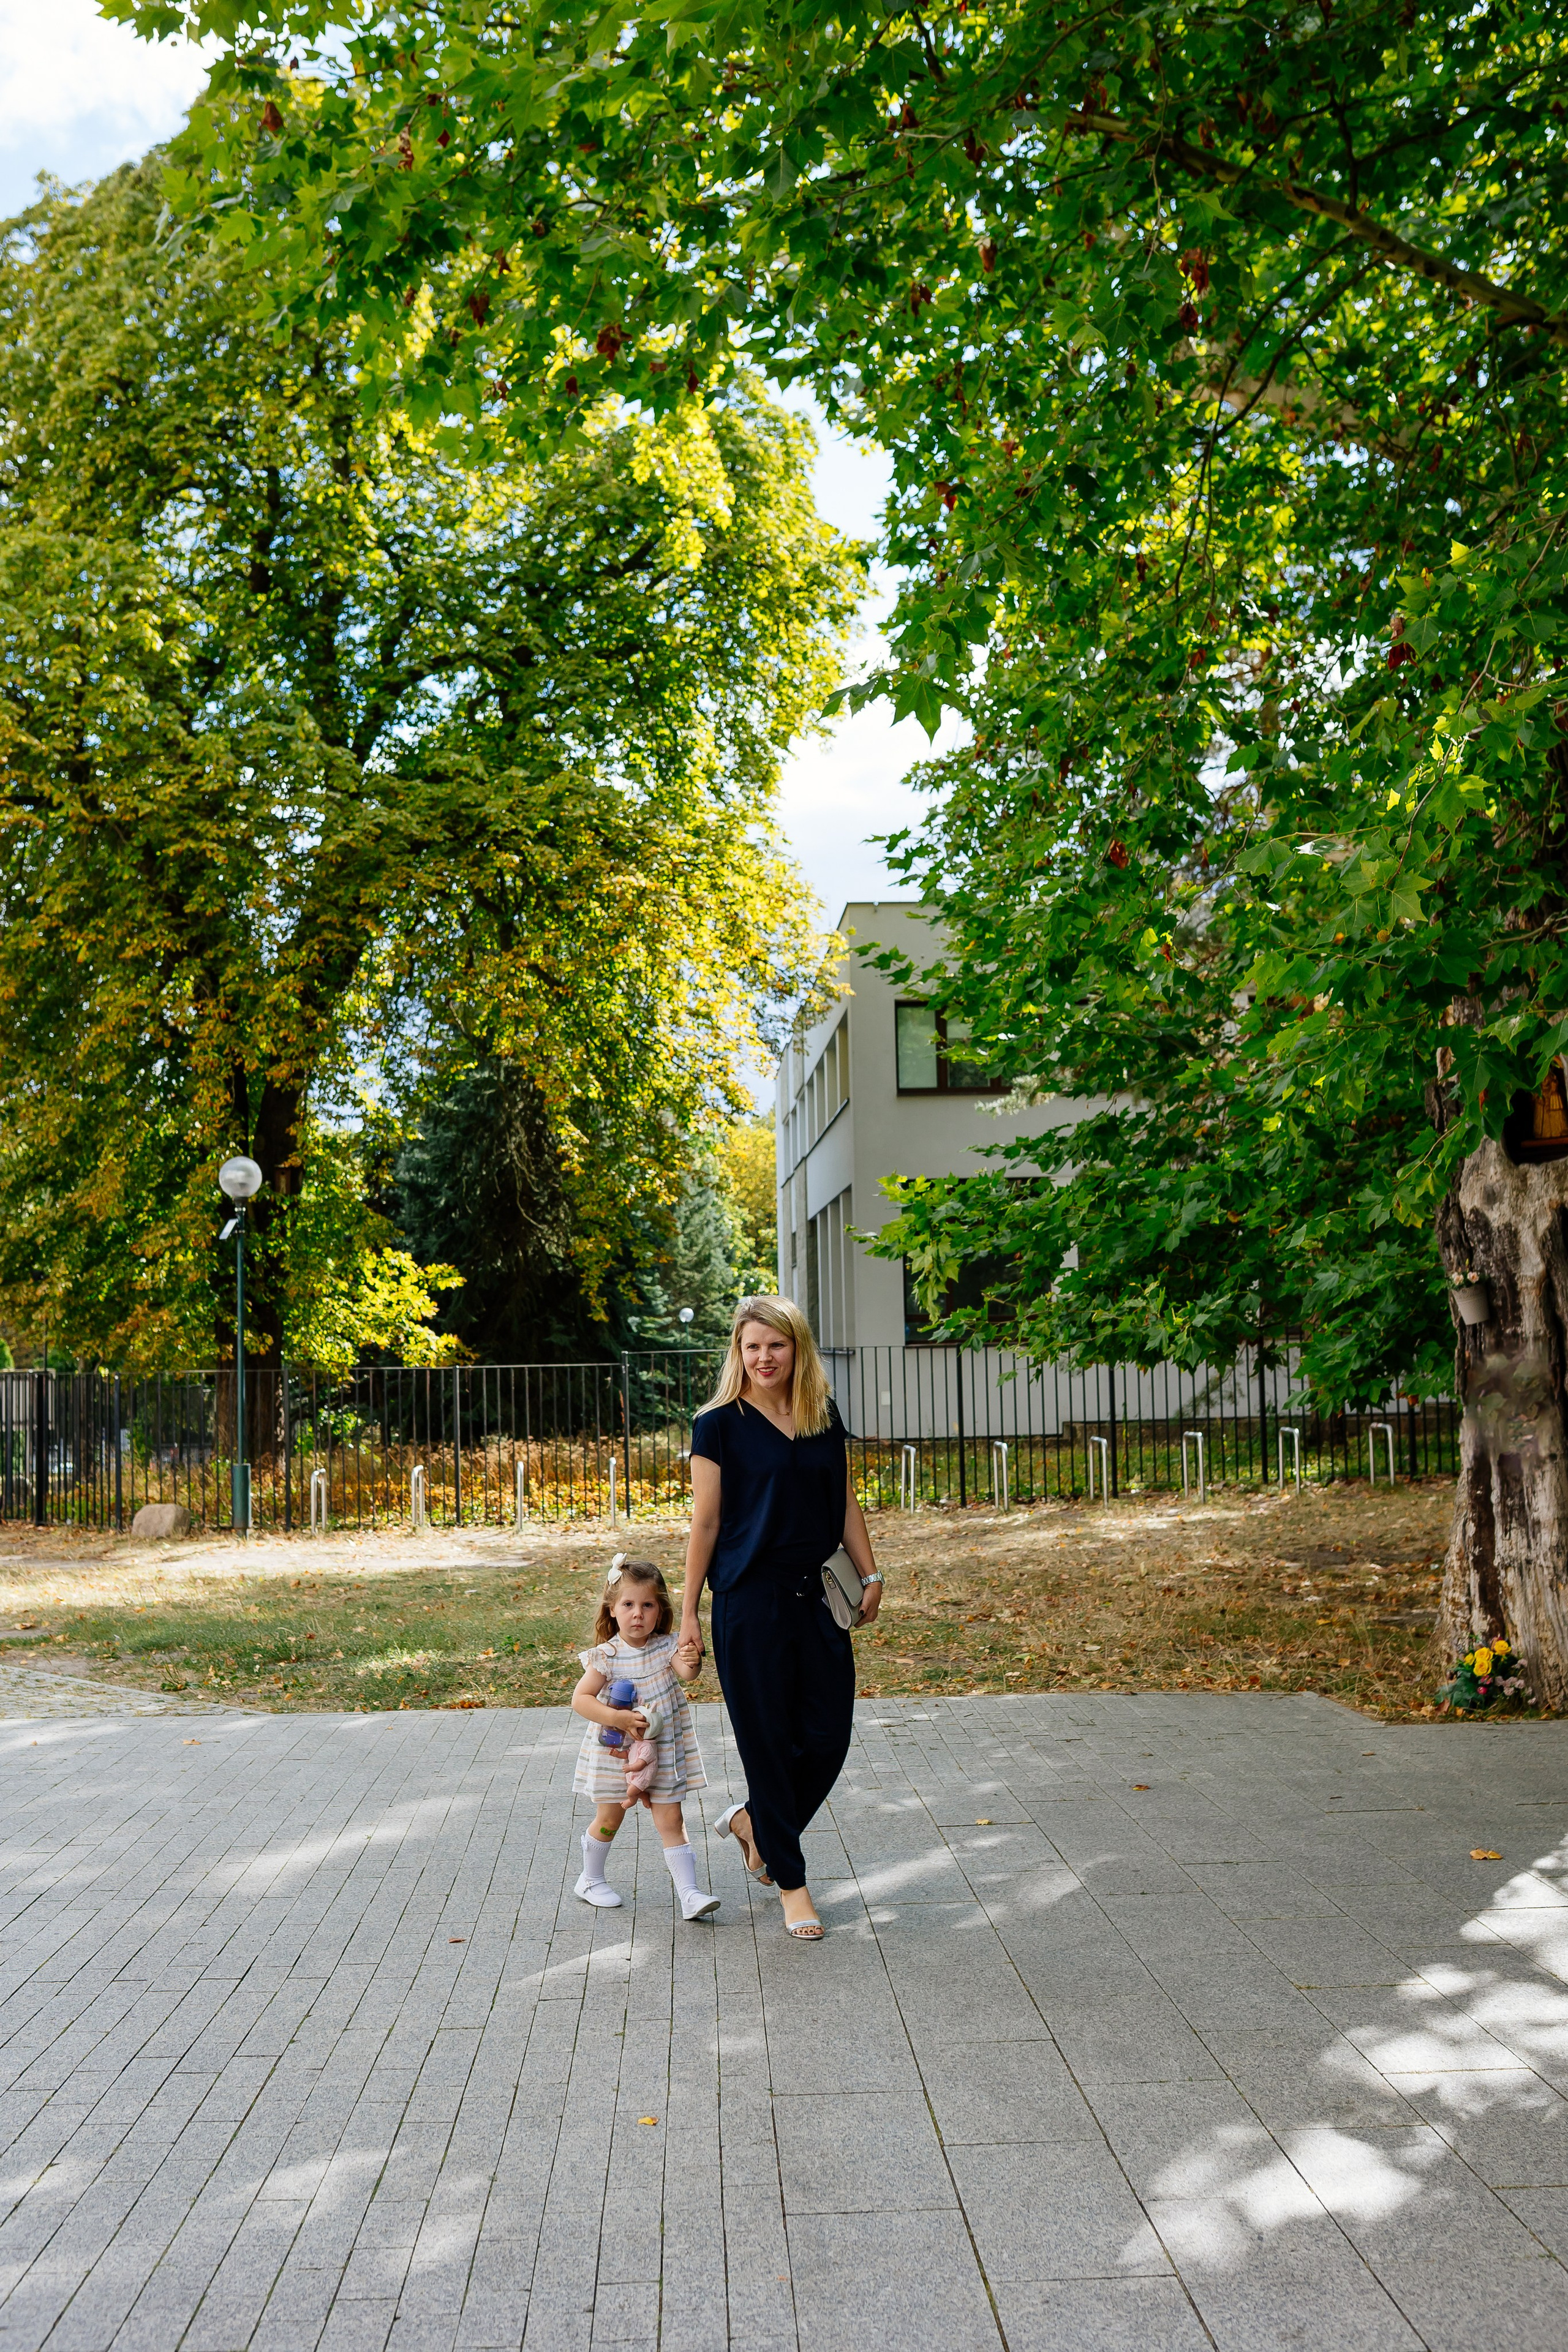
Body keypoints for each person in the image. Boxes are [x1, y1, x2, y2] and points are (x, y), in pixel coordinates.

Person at [682, 1296, 883, 1940]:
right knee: (767, 1743)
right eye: (751, 1347)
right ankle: (792, 1885)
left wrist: (870, 1571)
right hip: (749, 1601)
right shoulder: (717, 1425)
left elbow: (844, 1498)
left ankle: (753, 1823)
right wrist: (687, 1613)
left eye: (776, 1345)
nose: (763, 1358)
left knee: (827, 1736)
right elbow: (705, 1523)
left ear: (798, 1349)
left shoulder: (822, 1417)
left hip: (819, 1596)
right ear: (737, 1354)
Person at [570, 1555, 719, 1920]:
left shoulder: (667, 1647)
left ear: (659, 1609)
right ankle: (590, 1879)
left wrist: (692, 1656)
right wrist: (617, 1718)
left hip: (664, 1750)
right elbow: (581, 1700)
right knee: (610, 1818)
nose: (638, 1614)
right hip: (616, 1753)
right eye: (629, 1604)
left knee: (672, 1819)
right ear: (612, 1609)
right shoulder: (606, 1657)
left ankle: (690, 1894)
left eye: (648, 1605)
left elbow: (688, 1674)